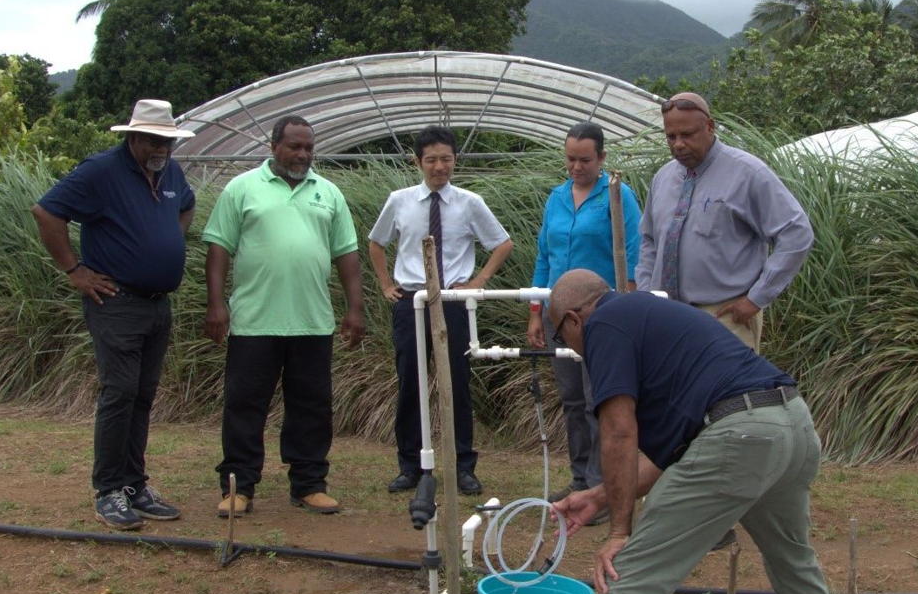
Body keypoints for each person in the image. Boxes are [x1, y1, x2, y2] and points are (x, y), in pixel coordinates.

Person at [550, 269, 852, 594]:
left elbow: (619, 432)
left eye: (563, 336)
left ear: (574, 319)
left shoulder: (604, 325)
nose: (572, 348)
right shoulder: (653, 316)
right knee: (793, 560)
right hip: (791, 423)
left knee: (632, 577)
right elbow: (670, 455)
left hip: (739, 437)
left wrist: (620, 530)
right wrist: (600, 496)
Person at [31, 99, 196, 530]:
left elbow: (186, 207)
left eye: (169, 141)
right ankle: (108, 491)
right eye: (155, 140)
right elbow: (46, 211)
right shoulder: (101, 171)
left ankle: (134, 486)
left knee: (142, 395)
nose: (163, 148)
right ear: (133, 137)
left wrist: (166, 242)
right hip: (116, 301)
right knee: (119, 392)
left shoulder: (170, 172)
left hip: (158, 302)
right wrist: (75, 270)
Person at [202, 115, 364, 518]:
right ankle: (239, 486)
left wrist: (355, 308)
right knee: (245, 405)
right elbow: (219, 250)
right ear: (273, 146)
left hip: (312, 321)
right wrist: (216, 303)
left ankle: (309, 485)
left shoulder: (328, 193)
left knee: (312, 406)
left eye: (309, 147)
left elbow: (346, 254)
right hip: (254, 320)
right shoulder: (241, 188)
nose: (303, 154)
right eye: (295, 146)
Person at [368, 126, 513, 496]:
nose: (439, 167)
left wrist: (478, 281)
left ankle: (464, 466)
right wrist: (387, 285)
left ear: (455, 161)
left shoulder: (470, 202)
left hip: (452, 302)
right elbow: (376, 243)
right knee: (411, 383)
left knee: (458, 384)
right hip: (411, 302)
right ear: (418, 162)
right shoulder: (399, 200)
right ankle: (410, 466)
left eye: (446, 159)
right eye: (431, 159)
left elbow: (502, 243)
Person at [636, 92, 813, 349]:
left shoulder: (748, 173)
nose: (678, 144)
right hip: (668, 319)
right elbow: (649, 240)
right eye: (671, 137)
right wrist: (647, 294)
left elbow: (797, 233)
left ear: (709, 127)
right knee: (677, 389)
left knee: (726, 390)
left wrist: (756, 299)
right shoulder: (663, 178)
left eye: (687, 135)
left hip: (724, 318)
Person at [527, 122, 641, 504]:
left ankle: (602, 485)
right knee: (572, 397)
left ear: (602, 158)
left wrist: (627, 304)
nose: (576, 167)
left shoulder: (618, 195)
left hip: (601, 314)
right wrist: (535, 310)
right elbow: (544, 254)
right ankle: (580, 478)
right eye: (570, 159)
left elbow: (634, 252)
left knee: (601, 397)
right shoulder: (555, 198)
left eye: (585, 160)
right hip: (557, 311)